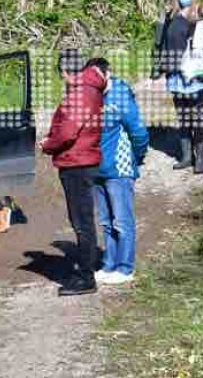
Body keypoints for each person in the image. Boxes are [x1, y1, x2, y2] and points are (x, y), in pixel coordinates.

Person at [40, 49, 107, 296]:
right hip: (83, 158)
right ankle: (86, 268)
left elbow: (68, 132)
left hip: (77, 162)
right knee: (83, 220)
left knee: (82, 222)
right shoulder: (90, 88)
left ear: (66, 72)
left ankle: (85, 277)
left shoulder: (80, 93)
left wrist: (48, 144)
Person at [84, 58, 149, 285]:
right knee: (106, 221)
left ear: (106, 74)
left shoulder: (121, 94)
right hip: (96, 169)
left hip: (119, 170)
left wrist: (136, 158)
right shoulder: (90, 96)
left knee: (122, 220)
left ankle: (125, 267)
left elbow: (138, 132)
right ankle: (109, 263)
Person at [152, 0, 203, 174]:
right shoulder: (170, 16)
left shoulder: (199, 16)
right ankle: (186, 156)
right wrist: (159, 66)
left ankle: (201, 158)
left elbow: (202, 45)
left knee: (196, 117)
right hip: (175, 73)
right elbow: (161, 41)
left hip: (193, 74)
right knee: (182, 117)